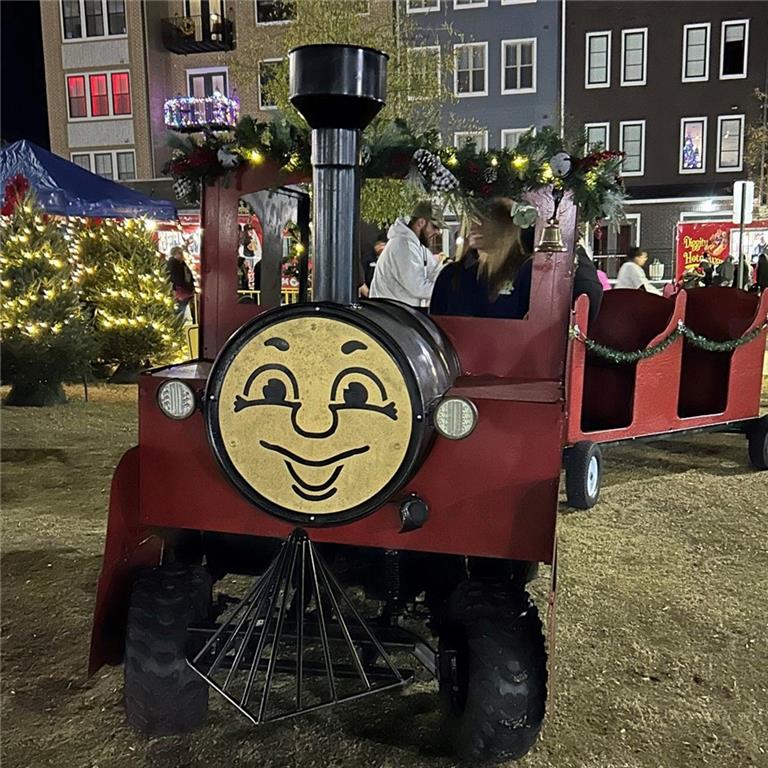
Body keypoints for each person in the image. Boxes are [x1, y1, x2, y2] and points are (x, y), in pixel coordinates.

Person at [430, 199, 530, 319]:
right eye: (472, 218)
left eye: (485, 217)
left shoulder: (527, 272)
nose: (474, 225)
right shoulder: (451, 275)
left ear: (507, 225)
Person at [369, 201, 444, 308]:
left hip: (399, 315)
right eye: (435, 226)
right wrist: (448, 291)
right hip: (392, 317)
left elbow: (435, 271)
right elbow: (418, 288)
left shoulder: (416, 245)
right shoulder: (404, 246)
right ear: (421, 222)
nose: (438, 232)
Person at [167, 246, 195, 318]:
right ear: (176, 254)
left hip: (183, 292)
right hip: (181, 293)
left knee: (181, 311)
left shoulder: (180, 264)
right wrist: (188, 287)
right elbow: (179, 280)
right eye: (180, 253)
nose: (182, 255)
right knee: (179, 312)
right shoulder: (175, 265)